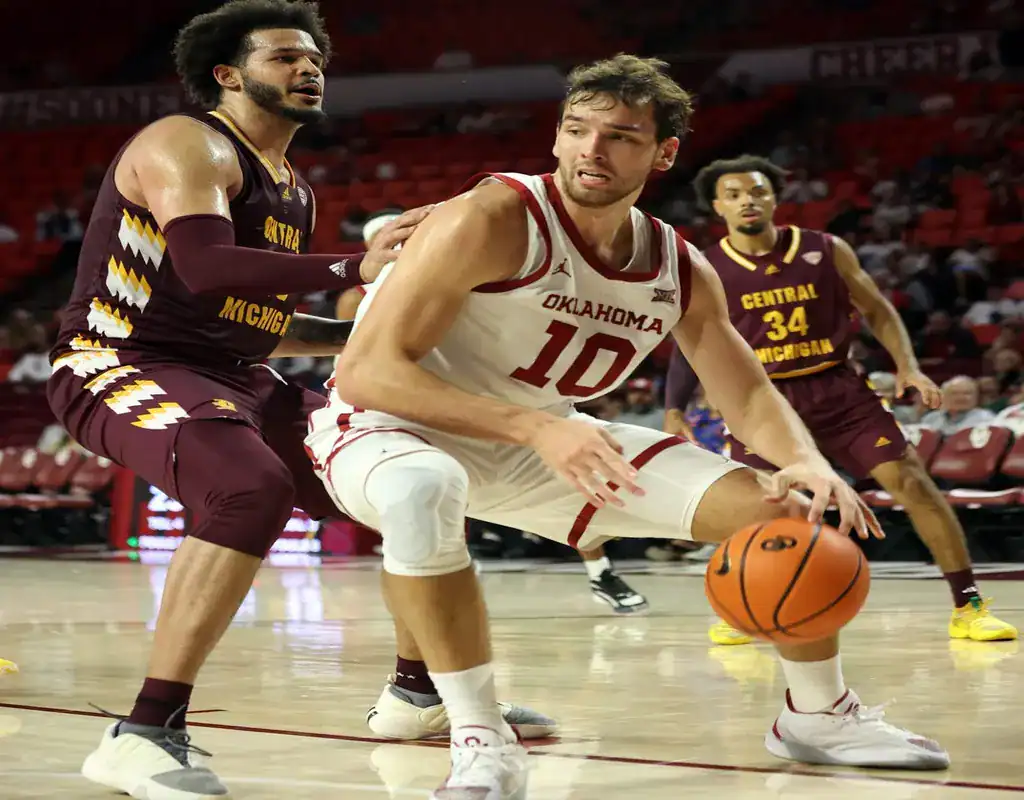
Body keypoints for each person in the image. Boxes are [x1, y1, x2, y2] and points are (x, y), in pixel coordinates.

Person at [306, 55, 948, 798]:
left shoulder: (677, 264)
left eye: (620, 136)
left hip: (539, 438)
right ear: (555, 138)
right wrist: (537, 430)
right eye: (577, 130)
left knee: (787, 511)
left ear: (664, 153)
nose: (591, 150)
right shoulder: (491, 216)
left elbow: (743, 390)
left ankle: (818, 714)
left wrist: (805, 461)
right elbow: (367, 372)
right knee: (424, 486)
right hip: (386, 430)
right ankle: (480, 736)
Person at [45, 3, 547, 798]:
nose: (307, 71)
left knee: (405, 479)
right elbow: (208, 268)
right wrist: (356, 269)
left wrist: (379, 335)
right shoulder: (188, 143)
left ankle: (418, 692)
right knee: (248, 489)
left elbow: (259, 322)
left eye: (313, 61)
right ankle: (142, 732)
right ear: (228, 74)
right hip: (120, 359)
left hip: (235, 371)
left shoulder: (294, 192)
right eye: (283, 58)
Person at [666, 153, 1016, 647]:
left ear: (774, 197)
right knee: (755, 505)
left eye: (758, 191)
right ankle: (743, 605)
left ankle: (969, 605)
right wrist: (674, 405)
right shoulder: (707, 268)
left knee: (913, 484)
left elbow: (876, 309)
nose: (749, 200)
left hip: (839, 389)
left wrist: (907, 365)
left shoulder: (825, 249)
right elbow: (694, 340)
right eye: (736, 194)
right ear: (717, 207)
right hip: (762, 400)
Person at [336, 214, 650, 617]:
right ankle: (443, 575)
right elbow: (359, 363)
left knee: (574, 475)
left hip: (487, 394)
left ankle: (600, 570)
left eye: (408, 232)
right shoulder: (358, 295)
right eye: (390, 236)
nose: (403, 241)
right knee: (424, 490)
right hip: (412, 405)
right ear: (371, 246)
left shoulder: (452, 269)